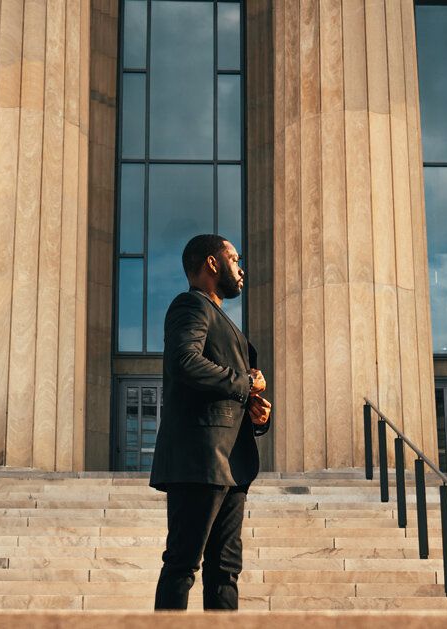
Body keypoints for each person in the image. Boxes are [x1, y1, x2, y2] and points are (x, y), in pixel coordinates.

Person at [149, 233, 272, 611]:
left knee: (225, 570)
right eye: (234, 258)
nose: (242, 268)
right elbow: (184, 361)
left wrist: (258, 414)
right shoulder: (190, 305)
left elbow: (224, 388)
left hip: (232, 463)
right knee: (183, 564)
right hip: (199, 460)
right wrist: (245, 382)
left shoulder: (221, 318)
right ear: (212, 264)